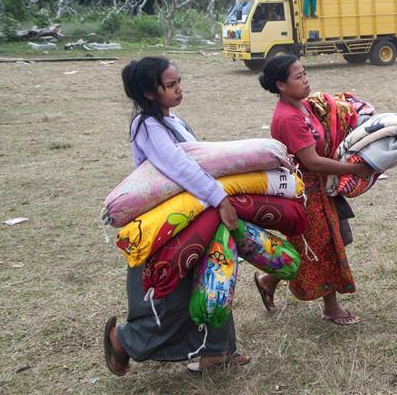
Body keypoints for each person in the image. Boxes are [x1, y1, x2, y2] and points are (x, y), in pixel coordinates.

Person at [104, 57, 247, 376]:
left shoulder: (174, 121)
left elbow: (201, 160)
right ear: (149, 92)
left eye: (179, 81)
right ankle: (123, 341)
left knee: (213, 277)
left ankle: (217, 351)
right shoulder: (146, 126)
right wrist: (219, 198)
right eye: (171, 85)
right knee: (176, 296)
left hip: (196, 215)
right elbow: (178, 167)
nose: (179, 89)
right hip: (169, 225)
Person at [254, 55, 374, 325]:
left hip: (320, 188)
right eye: (298, 77)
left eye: (304, 73)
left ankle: (267, 279)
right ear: (281, 85)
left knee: (313, 245)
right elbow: (312, 161)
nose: (305, 79)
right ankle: (331, 308)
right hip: (306, 192)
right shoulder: (288, 118)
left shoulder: (304, 106)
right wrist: (355, 170)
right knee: (321, 248)